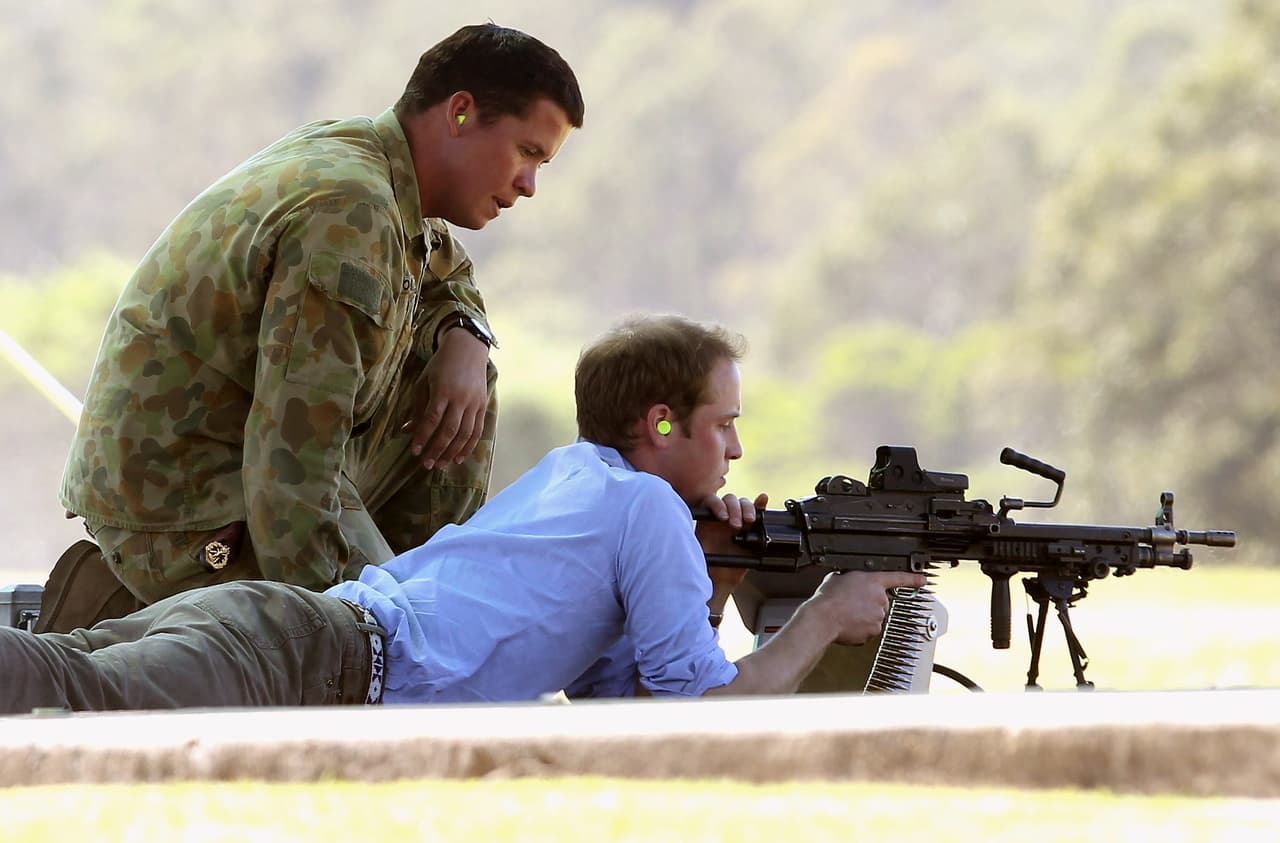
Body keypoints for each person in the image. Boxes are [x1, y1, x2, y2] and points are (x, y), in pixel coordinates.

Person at [0, 315, 925, 711]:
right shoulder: (643, 504)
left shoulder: (585, 480)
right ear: (661, 422)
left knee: (53, 676)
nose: (734, 451)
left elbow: (630, 708)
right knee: (64, 693)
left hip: (292, 632)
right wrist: (825, 617)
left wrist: (713, 575)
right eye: (725, 425)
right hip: (308, 654)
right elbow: (709, 711)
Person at [39, 24, 585, 633]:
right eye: (528, 153)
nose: (530, 185)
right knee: (409, 649)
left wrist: (467, 334)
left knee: (461, 369)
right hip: (183, 505)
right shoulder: (350, 211)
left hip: (243, 464)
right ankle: (146, 610)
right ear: (460, 113)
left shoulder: (374, 165)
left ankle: (420, 586)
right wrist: (367, 642)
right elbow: (293, 464)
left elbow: (445, 269)